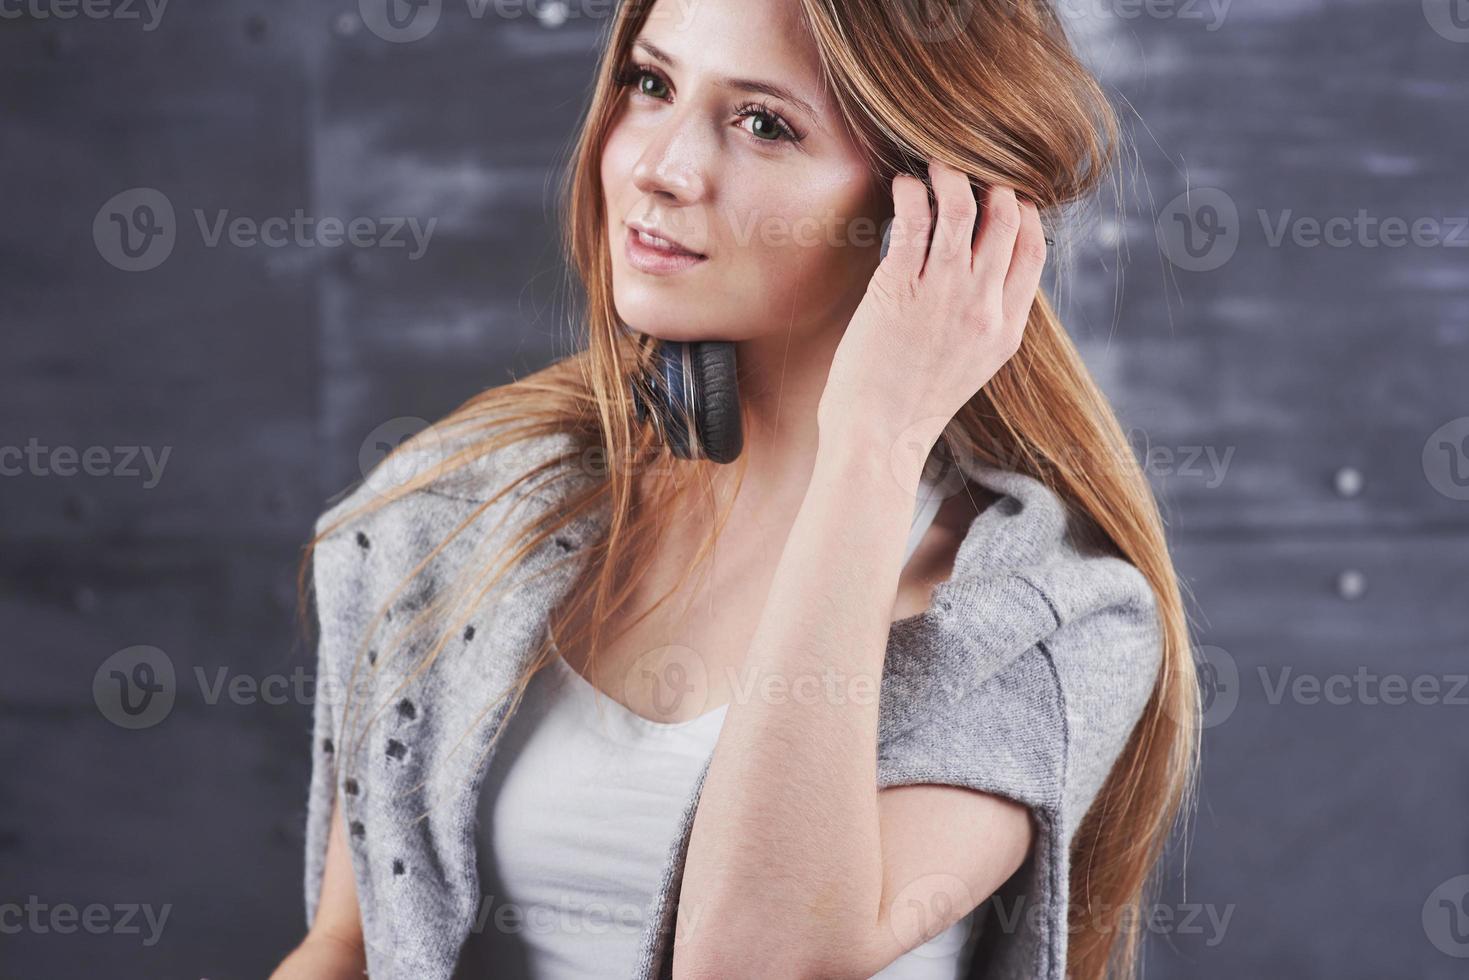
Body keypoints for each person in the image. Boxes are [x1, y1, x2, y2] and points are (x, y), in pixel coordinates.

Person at [271, 0, 1199, 977]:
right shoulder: (461, 508)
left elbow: (756, 961)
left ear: (931, 211)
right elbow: (346, 942)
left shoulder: (1048, 620)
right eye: (651, 83)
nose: (658, 167)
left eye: (762, 123)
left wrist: (871, 444)